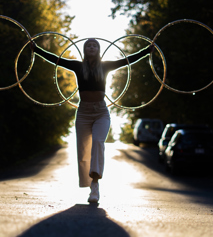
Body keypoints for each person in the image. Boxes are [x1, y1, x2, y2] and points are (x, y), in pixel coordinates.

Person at [32, 38, 153, 203]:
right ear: (84, 49)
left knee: (97, 141)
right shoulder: (78, 66)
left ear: (98, 49)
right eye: (88, 45)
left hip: (101, 112)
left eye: (94, 45)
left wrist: (147, 50)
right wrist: (36, 49)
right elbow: (56, 60)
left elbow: (127, 60)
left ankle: (95, 185)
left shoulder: (105, 66)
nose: (91, 47)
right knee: (83, 151)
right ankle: (89, 184)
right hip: (83, 112)